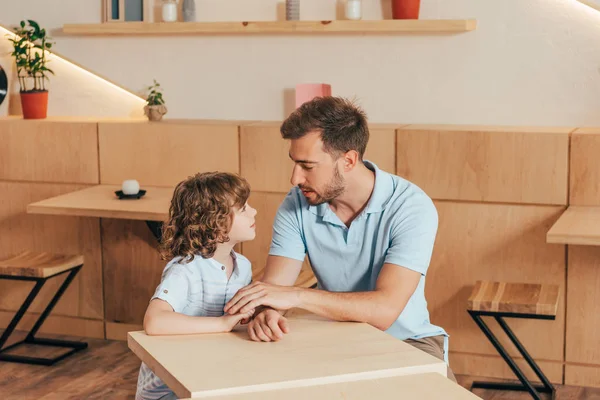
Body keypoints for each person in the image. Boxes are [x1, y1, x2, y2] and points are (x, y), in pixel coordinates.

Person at [224, 96, 455, 380]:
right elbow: (275, 288)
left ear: (348, 160)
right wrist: (268, 312)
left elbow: (384, 311)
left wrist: (295, 296)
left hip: (408, 341)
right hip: (333, 338)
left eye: (307, 166)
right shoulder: (296, 204)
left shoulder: (411, 207)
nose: (295, 178)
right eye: (294, 163)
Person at [136, 172, 258, 400]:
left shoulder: (243, 266)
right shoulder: (186, 269)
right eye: (243, 208)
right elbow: (154, 322)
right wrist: (221, 324)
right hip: (170, 391)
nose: (254, 211)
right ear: (216, 223)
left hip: (209, 380)